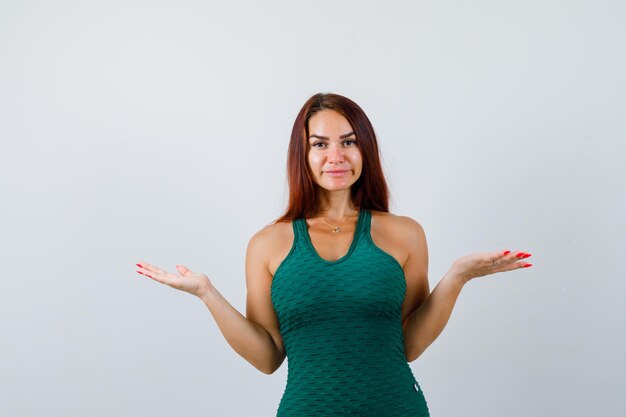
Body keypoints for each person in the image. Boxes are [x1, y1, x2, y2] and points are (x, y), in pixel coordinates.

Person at [134, 92, 533, 416]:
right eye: (320, 144)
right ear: (303, 155)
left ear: (365, 149)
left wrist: (457, 277)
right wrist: (207, 293)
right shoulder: (267, 244)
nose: (336, 156)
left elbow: (408, 344)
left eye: (348, 141)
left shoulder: (404, 233)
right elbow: (268, 356)